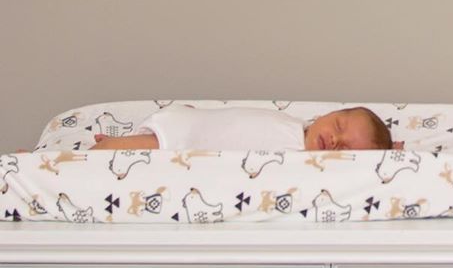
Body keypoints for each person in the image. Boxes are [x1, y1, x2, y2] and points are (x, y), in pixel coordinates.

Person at [88, 104, 393, 152]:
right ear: (328, 113)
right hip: (187, 129)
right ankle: (106, 145)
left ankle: (119, 142)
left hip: (192, 136)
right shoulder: (298, 129)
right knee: (106, 154)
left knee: (148, 146)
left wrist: (388, 152)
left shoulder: (304, 159)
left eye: (345, 149)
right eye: (338, 125)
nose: (333, 139)